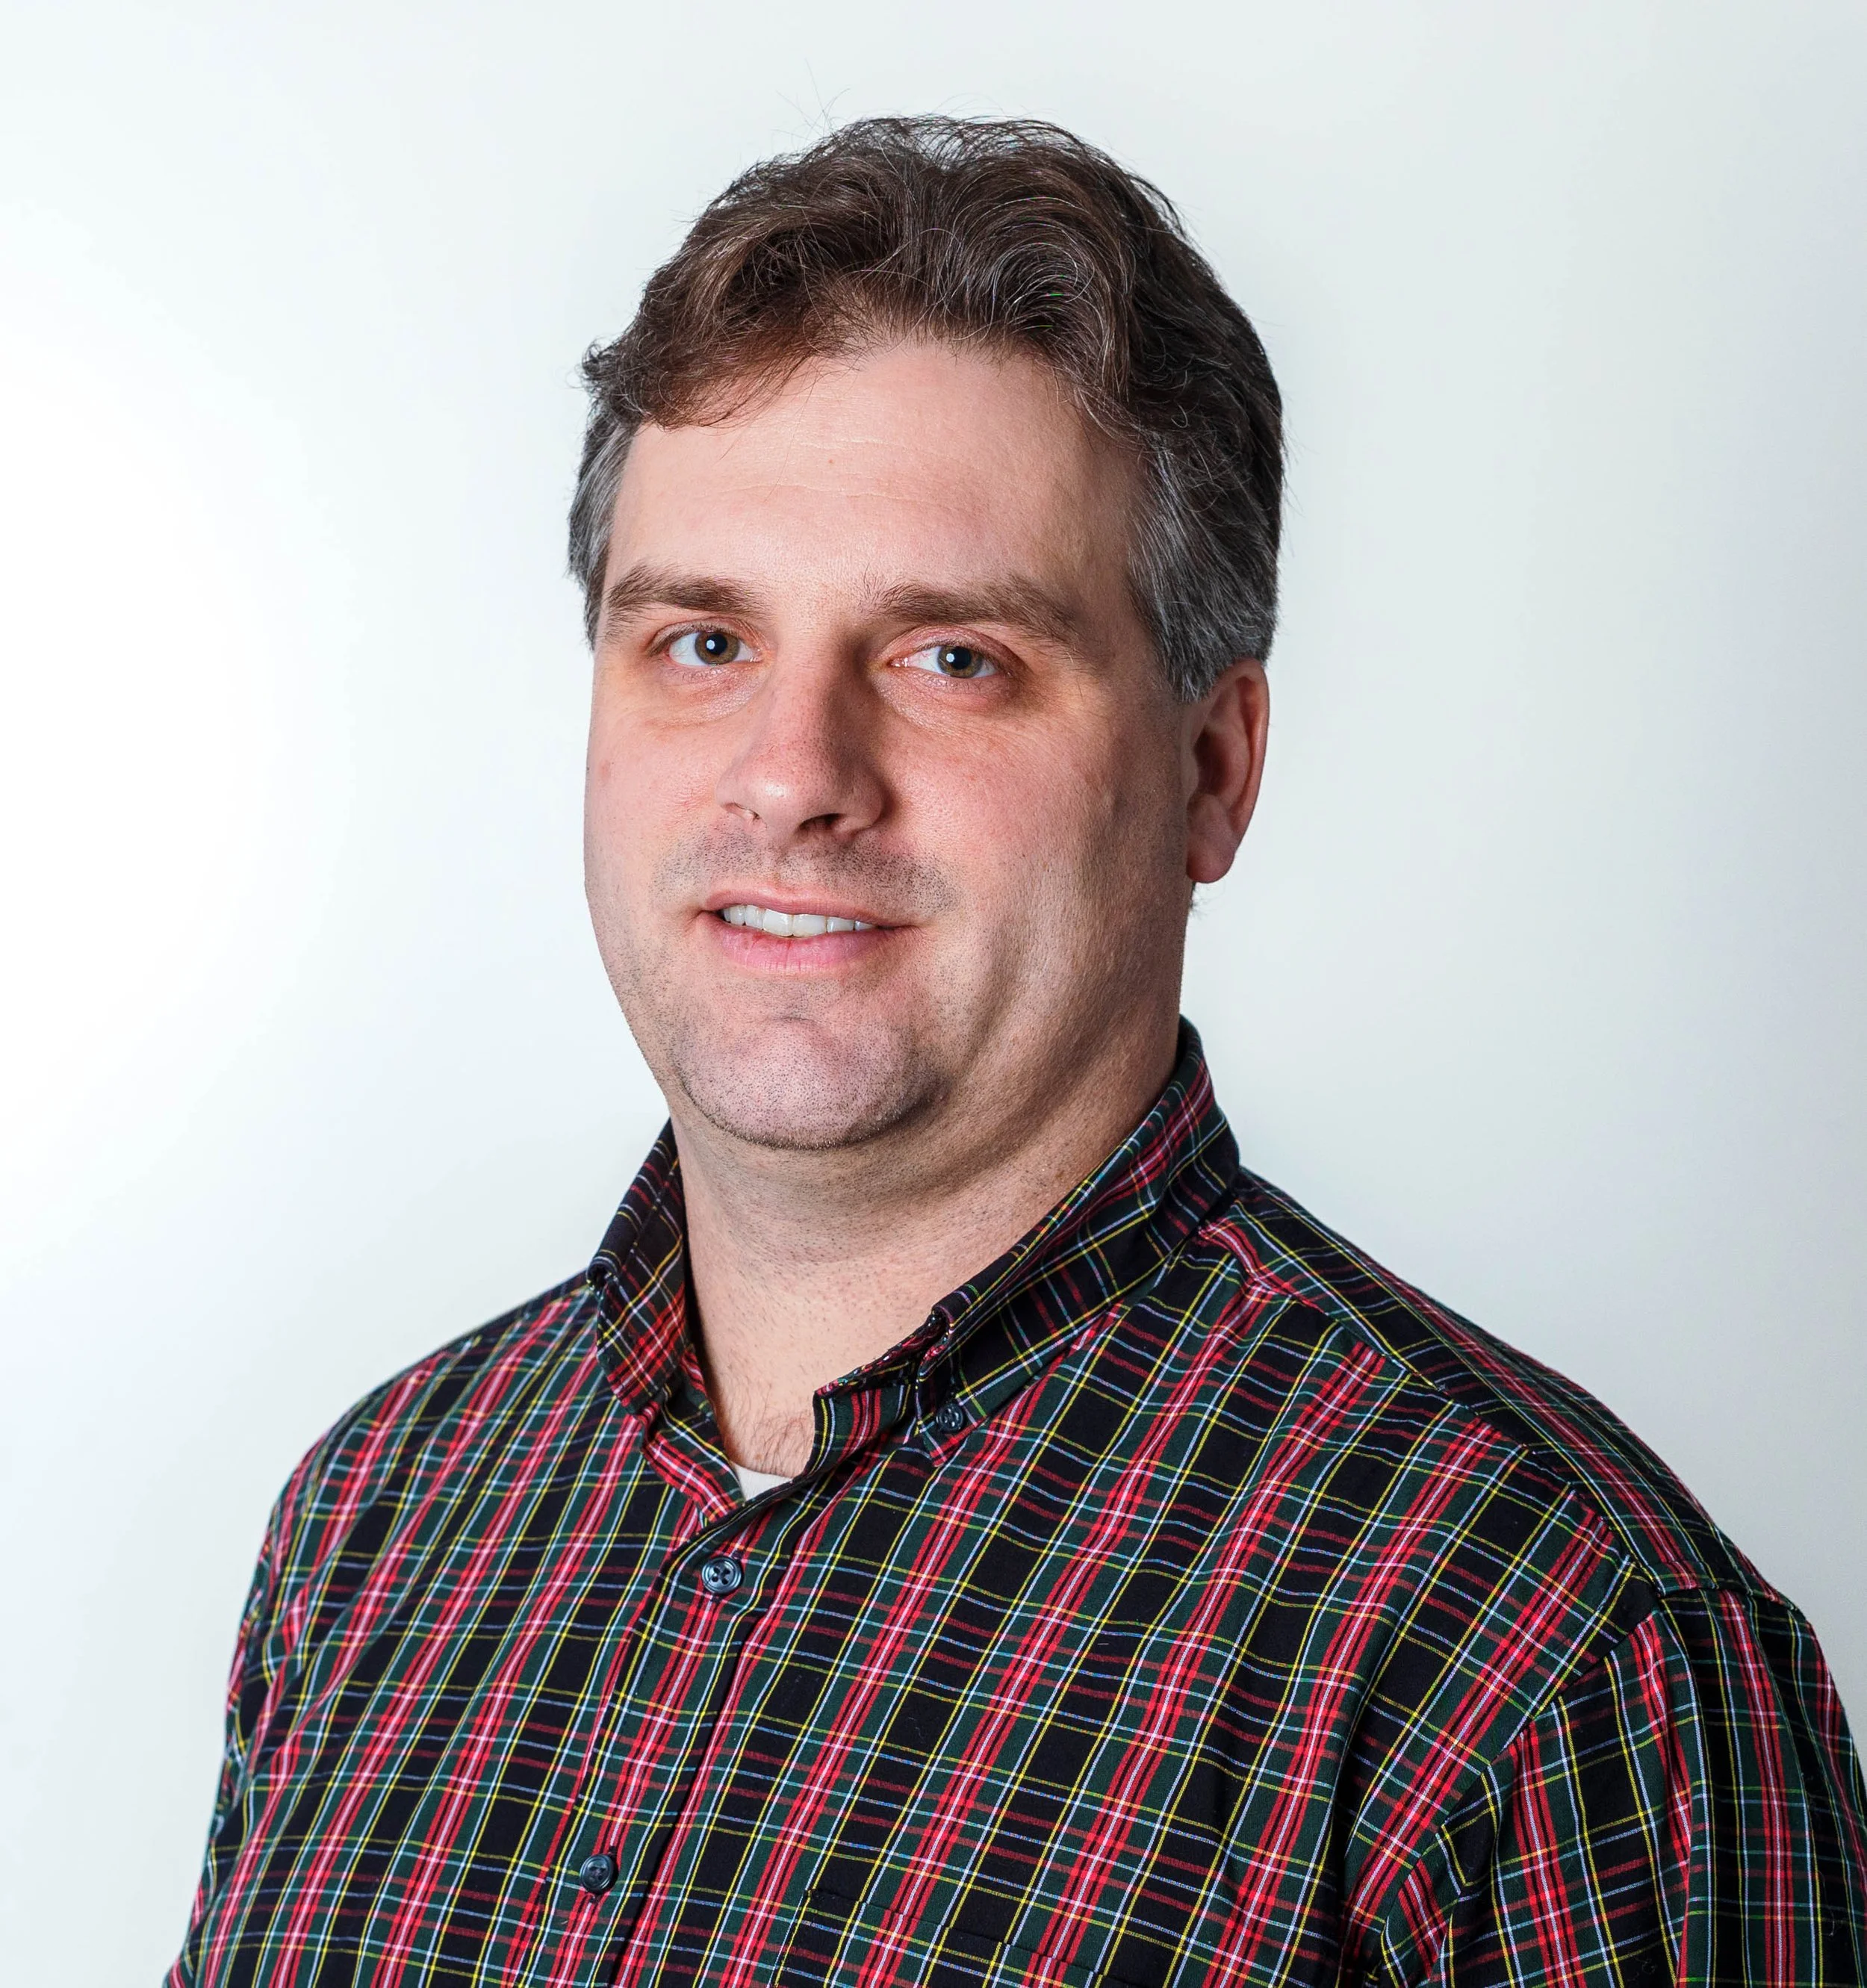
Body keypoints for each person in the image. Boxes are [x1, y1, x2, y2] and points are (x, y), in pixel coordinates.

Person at [170, 117, 1866, 1987]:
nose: (795, 775)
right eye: (703, 638)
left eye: (952, 656)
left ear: (1210, 769)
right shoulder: (387, 1519)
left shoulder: (1540, 1656)